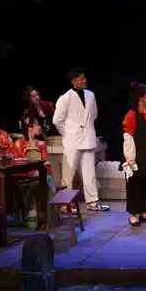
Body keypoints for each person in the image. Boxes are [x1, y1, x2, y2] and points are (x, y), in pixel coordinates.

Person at [54, 68, 109, 212]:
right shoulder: (65, 98)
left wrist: (86, 128)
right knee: (69, 173)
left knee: (89, 172)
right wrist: (68, 133)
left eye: (84, 78)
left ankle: (93, 201)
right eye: (81, 78)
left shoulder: (90, 95)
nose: (84, 80)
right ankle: (66, 204)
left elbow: (94, 114)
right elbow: (57, 120)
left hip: (88, 138)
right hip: (72, 140)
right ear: (73, 81)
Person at [122, 82, 146, 227]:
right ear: (140, 98)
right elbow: (128, 137)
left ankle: (144, 211)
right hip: (136, 153)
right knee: (135, 183)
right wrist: (130, 159)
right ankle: (133, 214)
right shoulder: (132, 114)